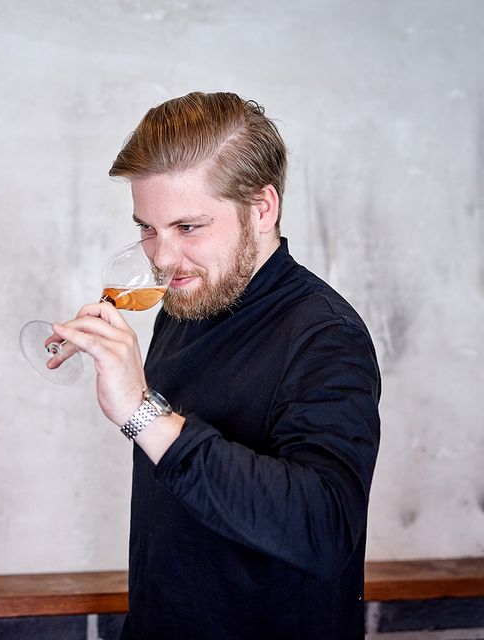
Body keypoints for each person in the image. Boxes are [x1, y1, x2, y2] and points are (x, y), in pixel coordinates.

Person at [50, 91, 381, 639]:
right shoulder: (186, 303)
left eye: (188, 227)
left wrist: (141, 412)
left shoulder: (325, 336)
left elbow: (323, 531)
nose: (161, 258)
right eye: (147, 228)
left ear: (262, 208)